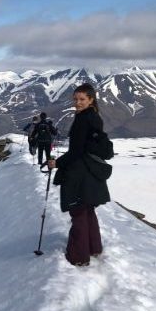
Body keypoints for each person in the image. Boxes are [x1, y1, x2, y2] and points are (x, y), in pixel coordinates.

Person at [47, 83, 110, 266]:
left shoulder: (83, 119)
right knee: (88, 210)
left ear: (91, 99)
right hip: (91, 171)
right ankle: (94, 248)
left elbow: (76, 151)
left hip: (79, 173)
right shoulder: (94, 117)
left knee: (78, 212)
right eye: (75, 99)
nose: (77, 103)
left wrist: (57, 163)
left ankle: (78, 257)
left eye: (82, 99)